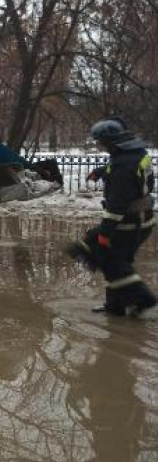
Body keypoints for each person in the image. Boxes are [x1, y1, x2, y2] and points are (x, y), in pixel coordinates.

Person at [68, 119, 155, 316]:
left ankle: (142, 298)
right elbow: (130, 175)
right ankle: (116, 306)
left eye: (101, 142)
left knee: (109, 261)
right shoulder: (135, 154)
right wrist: (101, 171)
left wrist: (106, 233)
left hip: (129, 223)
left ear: (111, 142)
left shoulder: (123, 166)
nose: (99, 146)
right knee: (108, 256)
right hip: (141, 219)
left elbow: (117, 205)